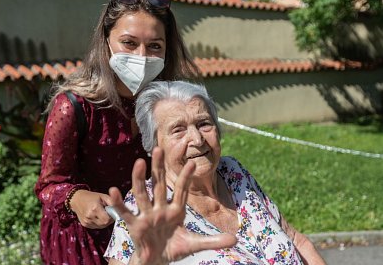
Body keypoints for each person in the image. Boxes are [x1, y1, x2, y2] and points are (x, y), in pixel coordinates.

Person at [34, 0, 199, 265]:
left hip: (144, 233)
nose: (142, 55)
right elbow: (49, 184)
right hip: (83, 238)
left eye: (155, 45)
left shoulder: (168, 104)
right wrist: (77, 198)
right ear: (106, 41)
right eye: (129, 43)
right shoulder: (73, 106)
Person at [104, 81, 326, 265]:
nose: (198, 140)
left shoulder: (234, 173)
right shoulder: (144, 208)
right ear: (153, 146)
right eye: (178, 130)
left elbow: (297, 241)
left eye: (204, 124)